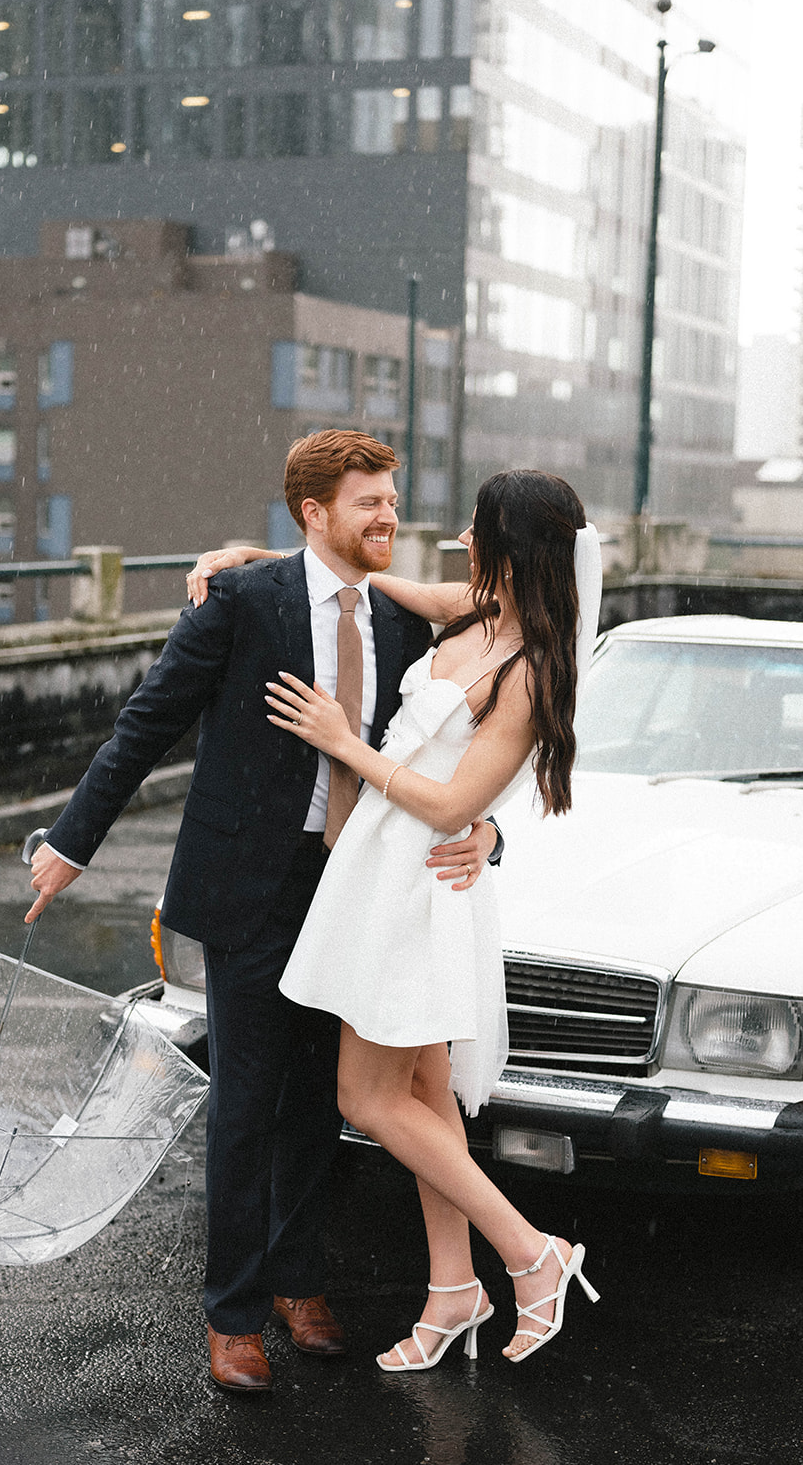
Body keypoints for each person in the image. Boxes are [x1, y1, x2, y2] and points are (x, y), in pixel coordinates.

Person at [25, 429, 502, 1393]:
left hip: (361, 888)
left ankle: (298, 1279)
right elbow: (147, 722)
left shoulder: (412, 625)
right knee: (246, 1099)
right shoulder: (242, 601)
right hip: (251, 885)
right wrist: (72, 845)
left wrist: (493, 838)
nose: (390, 518)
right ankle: (234, 1314)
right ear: (315, 514)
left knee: (321, 1099)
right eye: (369, 502)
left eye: (392, 500)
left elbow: (463, 758)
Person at [191, 468, 603, 1368]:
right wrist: (265, 562)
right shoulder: (473, 606)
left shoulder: (529, 663)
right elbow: (361, 580)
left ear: (512, 545)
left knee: (365, 1099)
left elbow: (454, 803)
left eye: (476, 528)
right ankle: (453, 1290)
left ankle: (534, 1255)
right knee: (422, 1096)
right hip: (380, 875)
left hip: (418, 888)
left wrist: (345, 745)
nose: (459, 538)